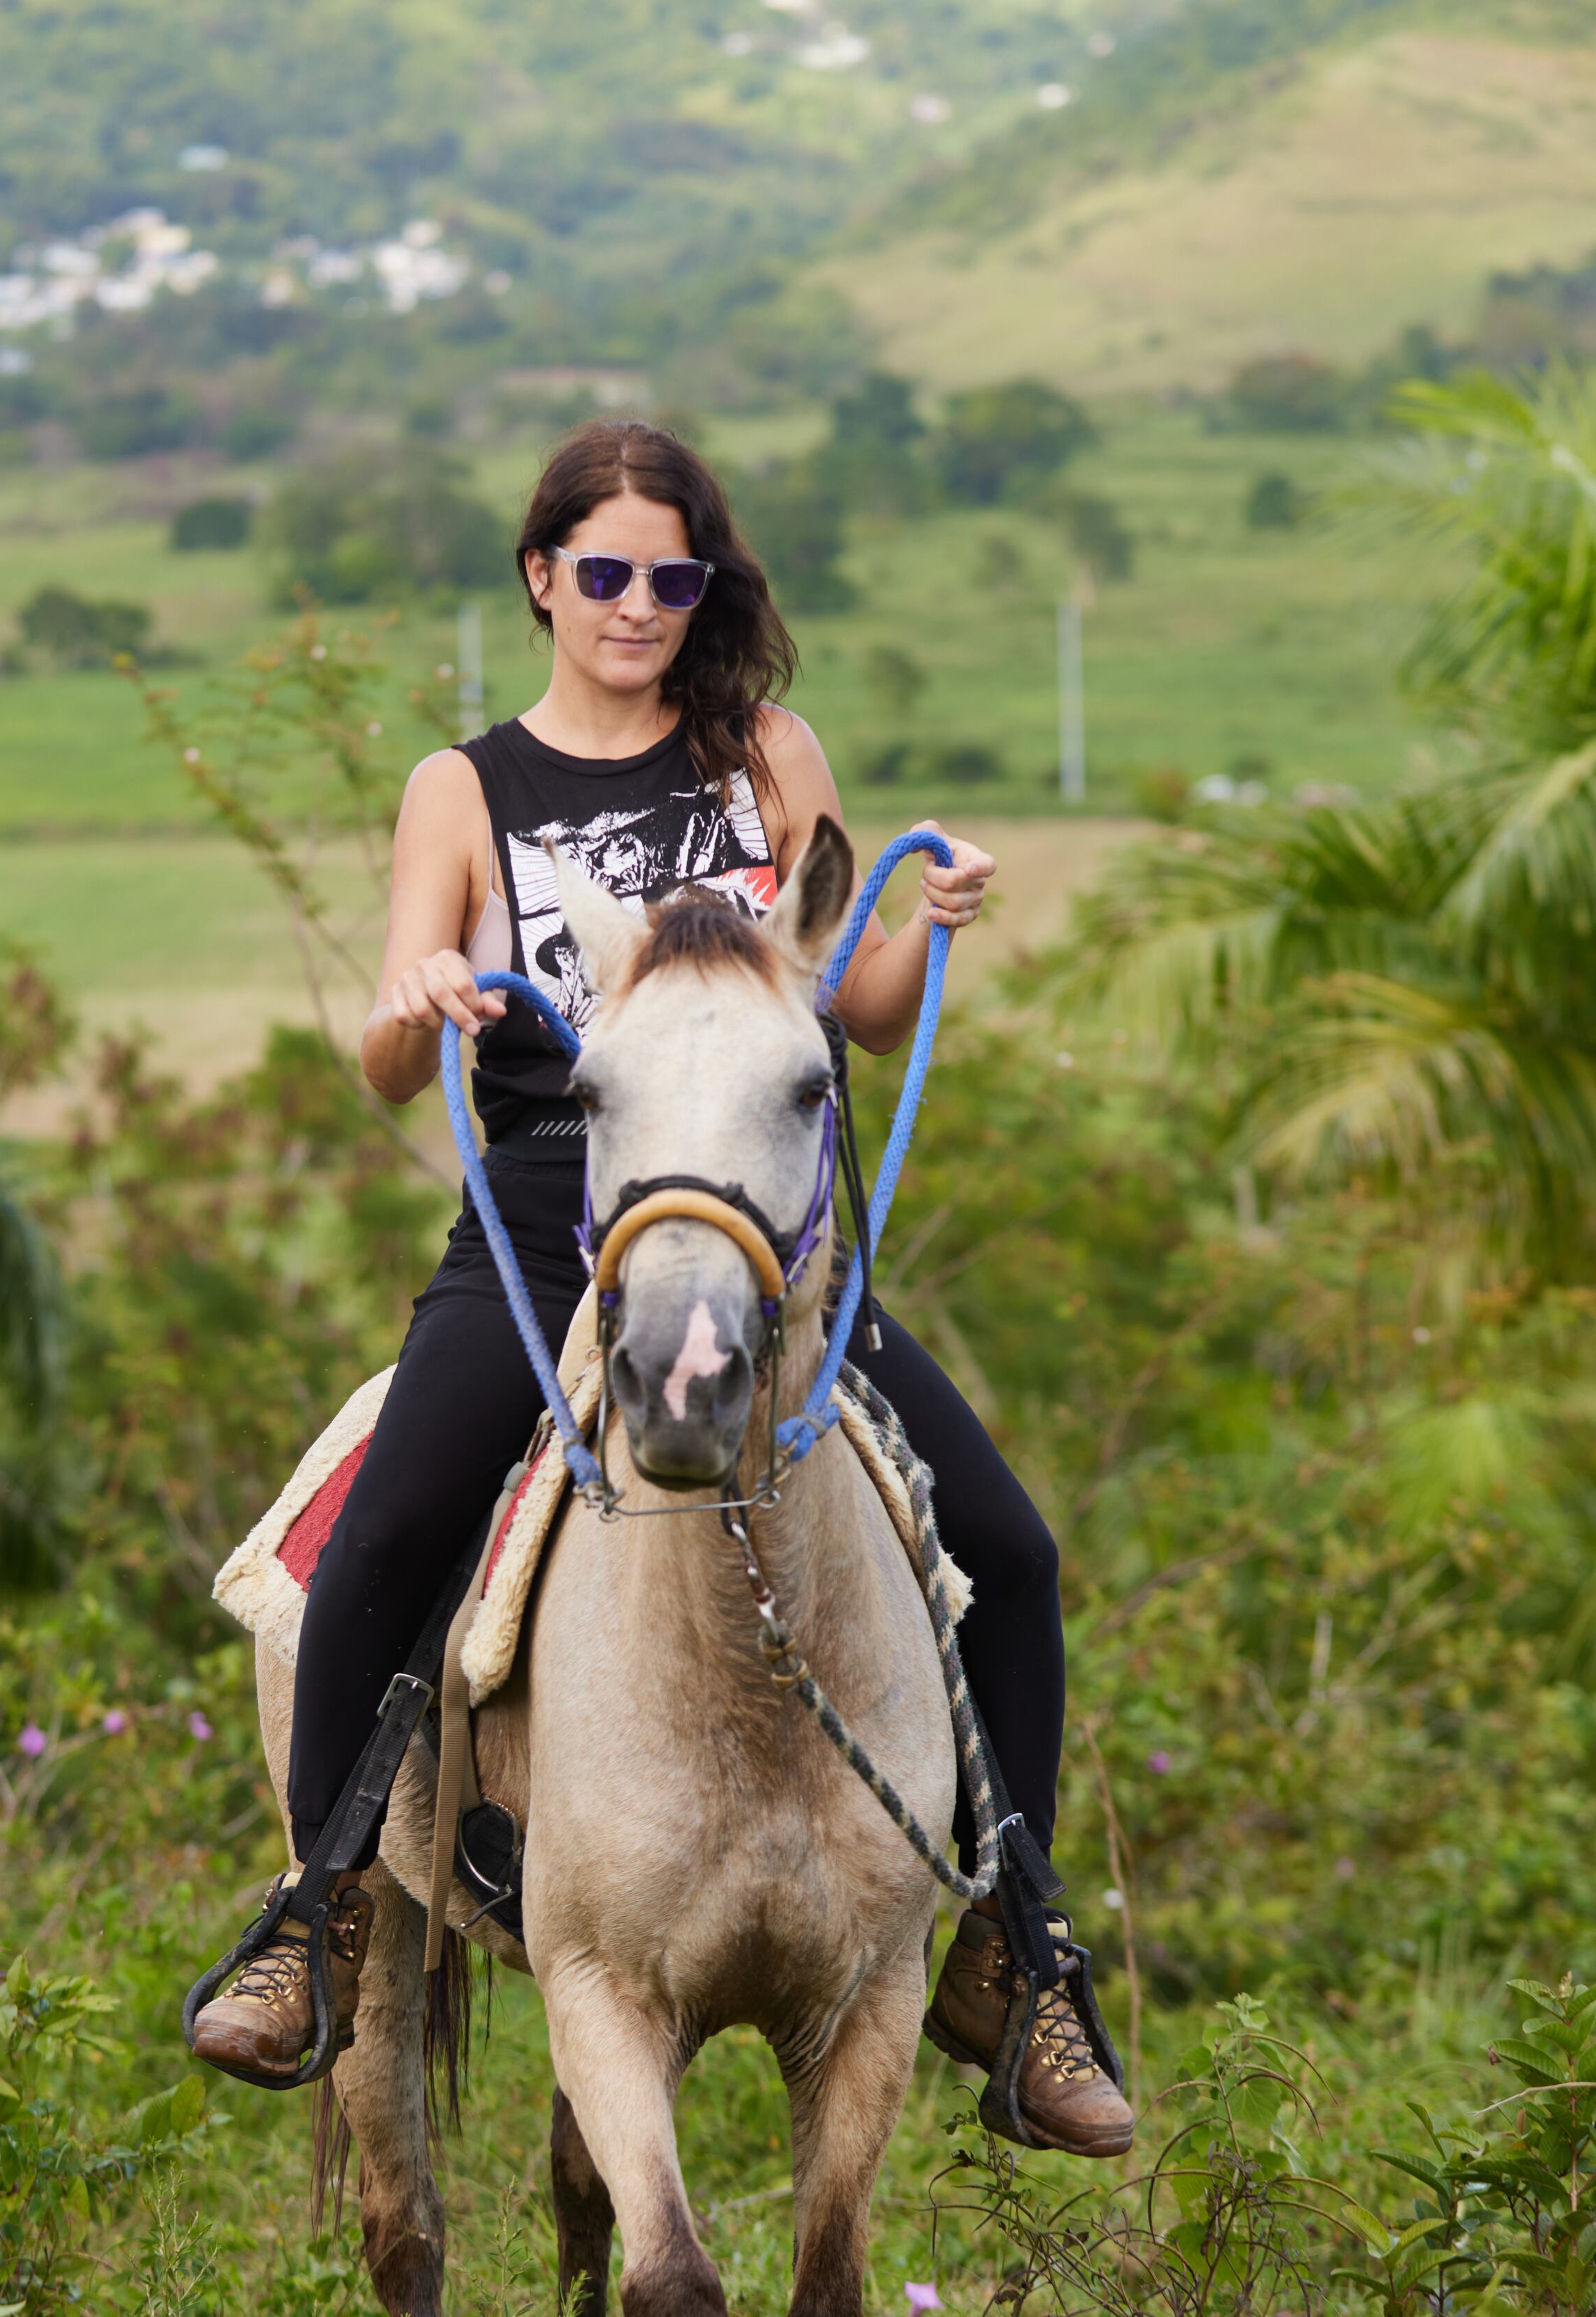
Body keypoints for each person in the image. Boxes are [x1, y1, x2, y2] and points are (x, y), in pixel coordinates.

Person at [185, 420, 1132, 2155]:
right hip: (550, 1237)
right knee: (380, 1548)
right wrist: (421, 995)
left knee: (1006, 1547)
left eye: (673, 577)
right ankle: (317, 1918)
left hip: (768, 1258)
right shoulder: (462, 792)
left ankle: (1015, 1944)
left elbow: (855, 1010)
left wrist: (935, 924)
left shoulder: (768, 753)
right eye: (605, 572)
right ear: (541, 576)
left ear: (708, 589)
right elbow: (390, 1067)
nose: (638, 605)